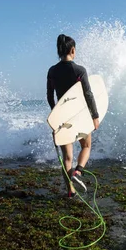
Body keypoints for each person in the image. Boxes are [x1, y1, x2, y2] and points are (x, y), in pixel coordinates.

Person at [47, 34, 100, 198]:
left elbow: (50, 96)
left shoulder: (52, 71)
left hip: (62, 118)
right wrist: (95, 115)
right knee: (86, 146)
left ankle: (70, 190)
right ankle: (78, 171)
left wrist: (55, 115)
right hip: (80, 115)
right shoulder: (79, 70)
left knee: (67, 157)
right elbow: (88, 94)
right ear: (72, 50)